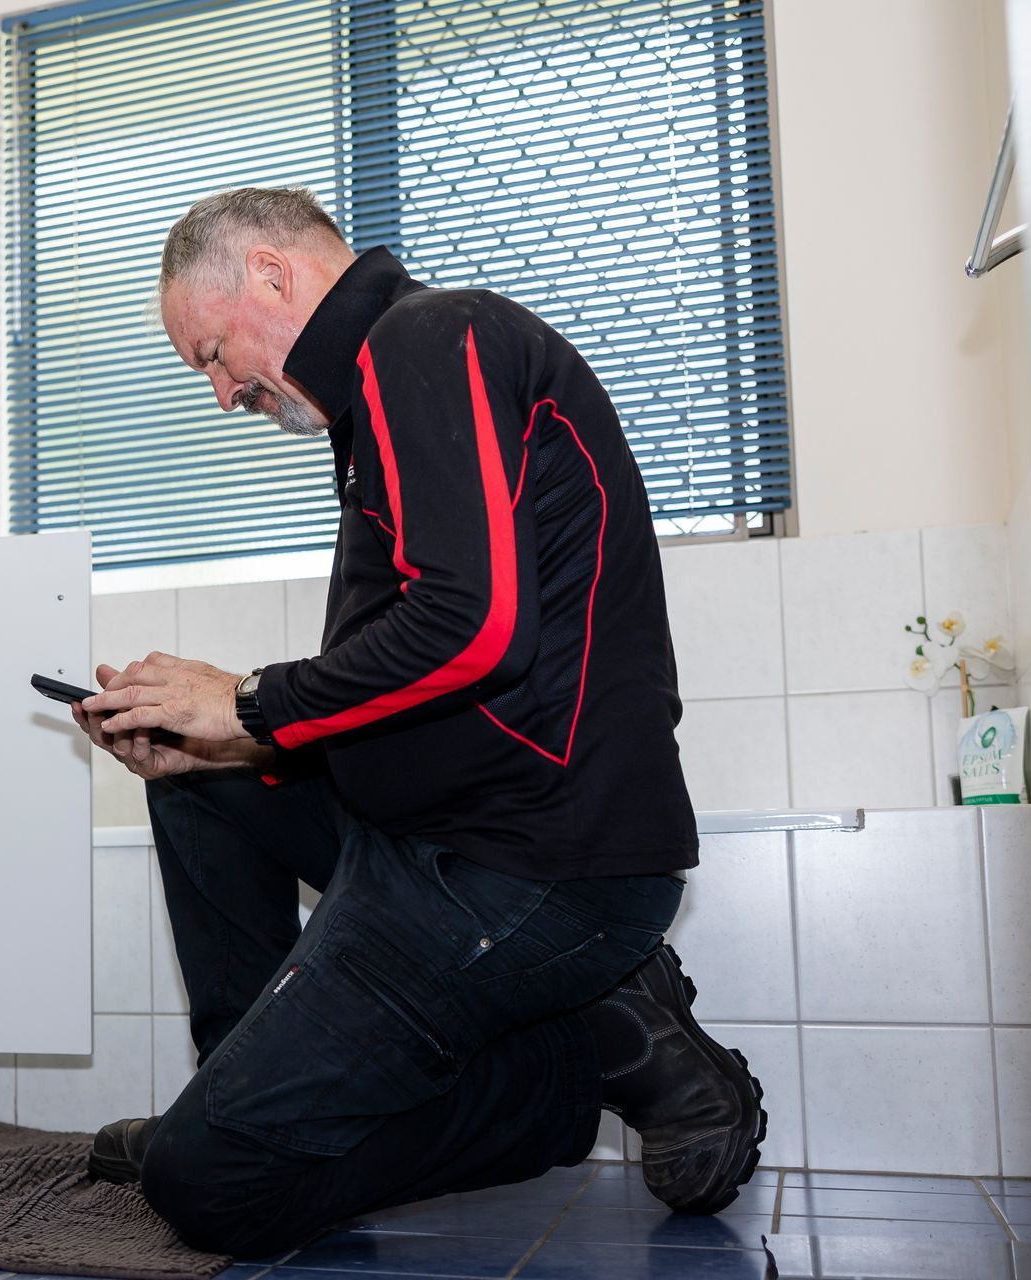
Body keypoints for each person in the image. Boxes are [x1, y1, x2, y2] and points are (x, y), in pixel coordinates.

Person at [69, 187, 763, 1256]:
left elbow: (475, 629)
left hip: (525, 859)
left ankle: (578, 1064)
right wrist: (220, 737)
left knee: (207, 1186)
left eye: (212, 354)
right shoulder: (375, 402)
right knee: (197, 787)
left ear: (270, 275)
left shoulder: (431, 338)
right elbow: (423, 685)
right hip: (434, 831)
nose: (221, 393)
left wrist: (246, 698)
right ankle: (248, 1089)